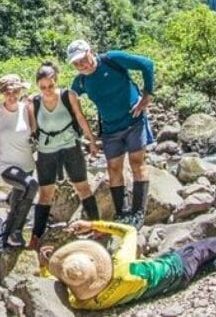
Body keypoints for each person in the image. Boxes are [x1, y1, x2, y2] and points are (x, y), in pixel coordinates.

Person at [44, 219, 216, 310]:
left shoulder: (86, 302)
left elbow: (61, 284)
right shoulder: (120, 265)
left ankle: (215, 265)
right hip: (175, 267)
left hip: (169, 285)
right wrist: (93, 224)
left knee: (199, 262)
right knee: (207, 245)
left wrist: (45, 267)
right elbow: (128, 231)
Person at [67, 39, 157, 227]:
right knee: (113, 169)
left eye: (82, 59)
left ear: (90, 51)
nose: (81, 65)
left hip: (134, 120)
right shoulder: (81, 81)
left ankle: (138, 213)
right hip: (110, 129)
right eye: (76, 63)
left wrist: (147, 97)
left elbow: (147, 65)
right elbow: (68, 99)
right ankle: (122, 213)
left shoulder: (112, 59)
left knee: (136, 163)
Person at [29, 61, 100, 250]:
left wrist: (91, 140)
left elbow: (80, 117)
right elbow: (32, 128)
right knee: (45, 194)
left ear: (56, 81)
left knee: (82, 187)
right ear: (38, 85)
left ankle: (98, 227)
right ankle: (36, 235)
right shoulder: (34, 102)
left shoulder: (68, 96)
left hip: (70, 146)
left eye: (51, 85)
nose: (47, 90)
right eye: (43, 87)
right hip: (47, 150)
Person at [0, 73, 37, 248]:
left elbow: (34, 129)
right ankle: (17, 232)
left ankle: (5, 239)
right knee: (32, 185)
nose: (12, 96)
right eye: (8, 92)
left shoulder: (26, 108)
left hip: (27, 163)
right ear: (2, 93)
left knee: (17, 204)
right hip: (6, 165)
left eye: (15, 92)